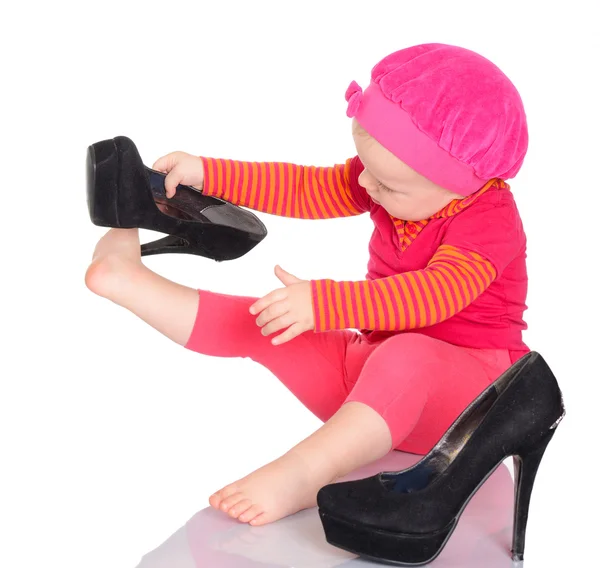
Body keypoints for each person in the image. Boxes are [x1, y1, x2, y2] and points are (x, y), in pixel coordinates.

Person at [85, 42, 530, 528]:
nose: (369, 189)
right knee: (272, 322)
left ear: (462, 182)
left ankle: (302, 476)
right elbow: (305, 188)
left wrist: (325, 302)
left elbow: (437, 293)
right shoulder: (389, 181)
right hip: (376, 382)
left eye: (388, 187)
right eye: (369, 174)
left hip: (469, 402)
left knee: (409, 355)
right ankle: (125, 280)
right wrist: (211, 174)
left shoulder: (488, 219)